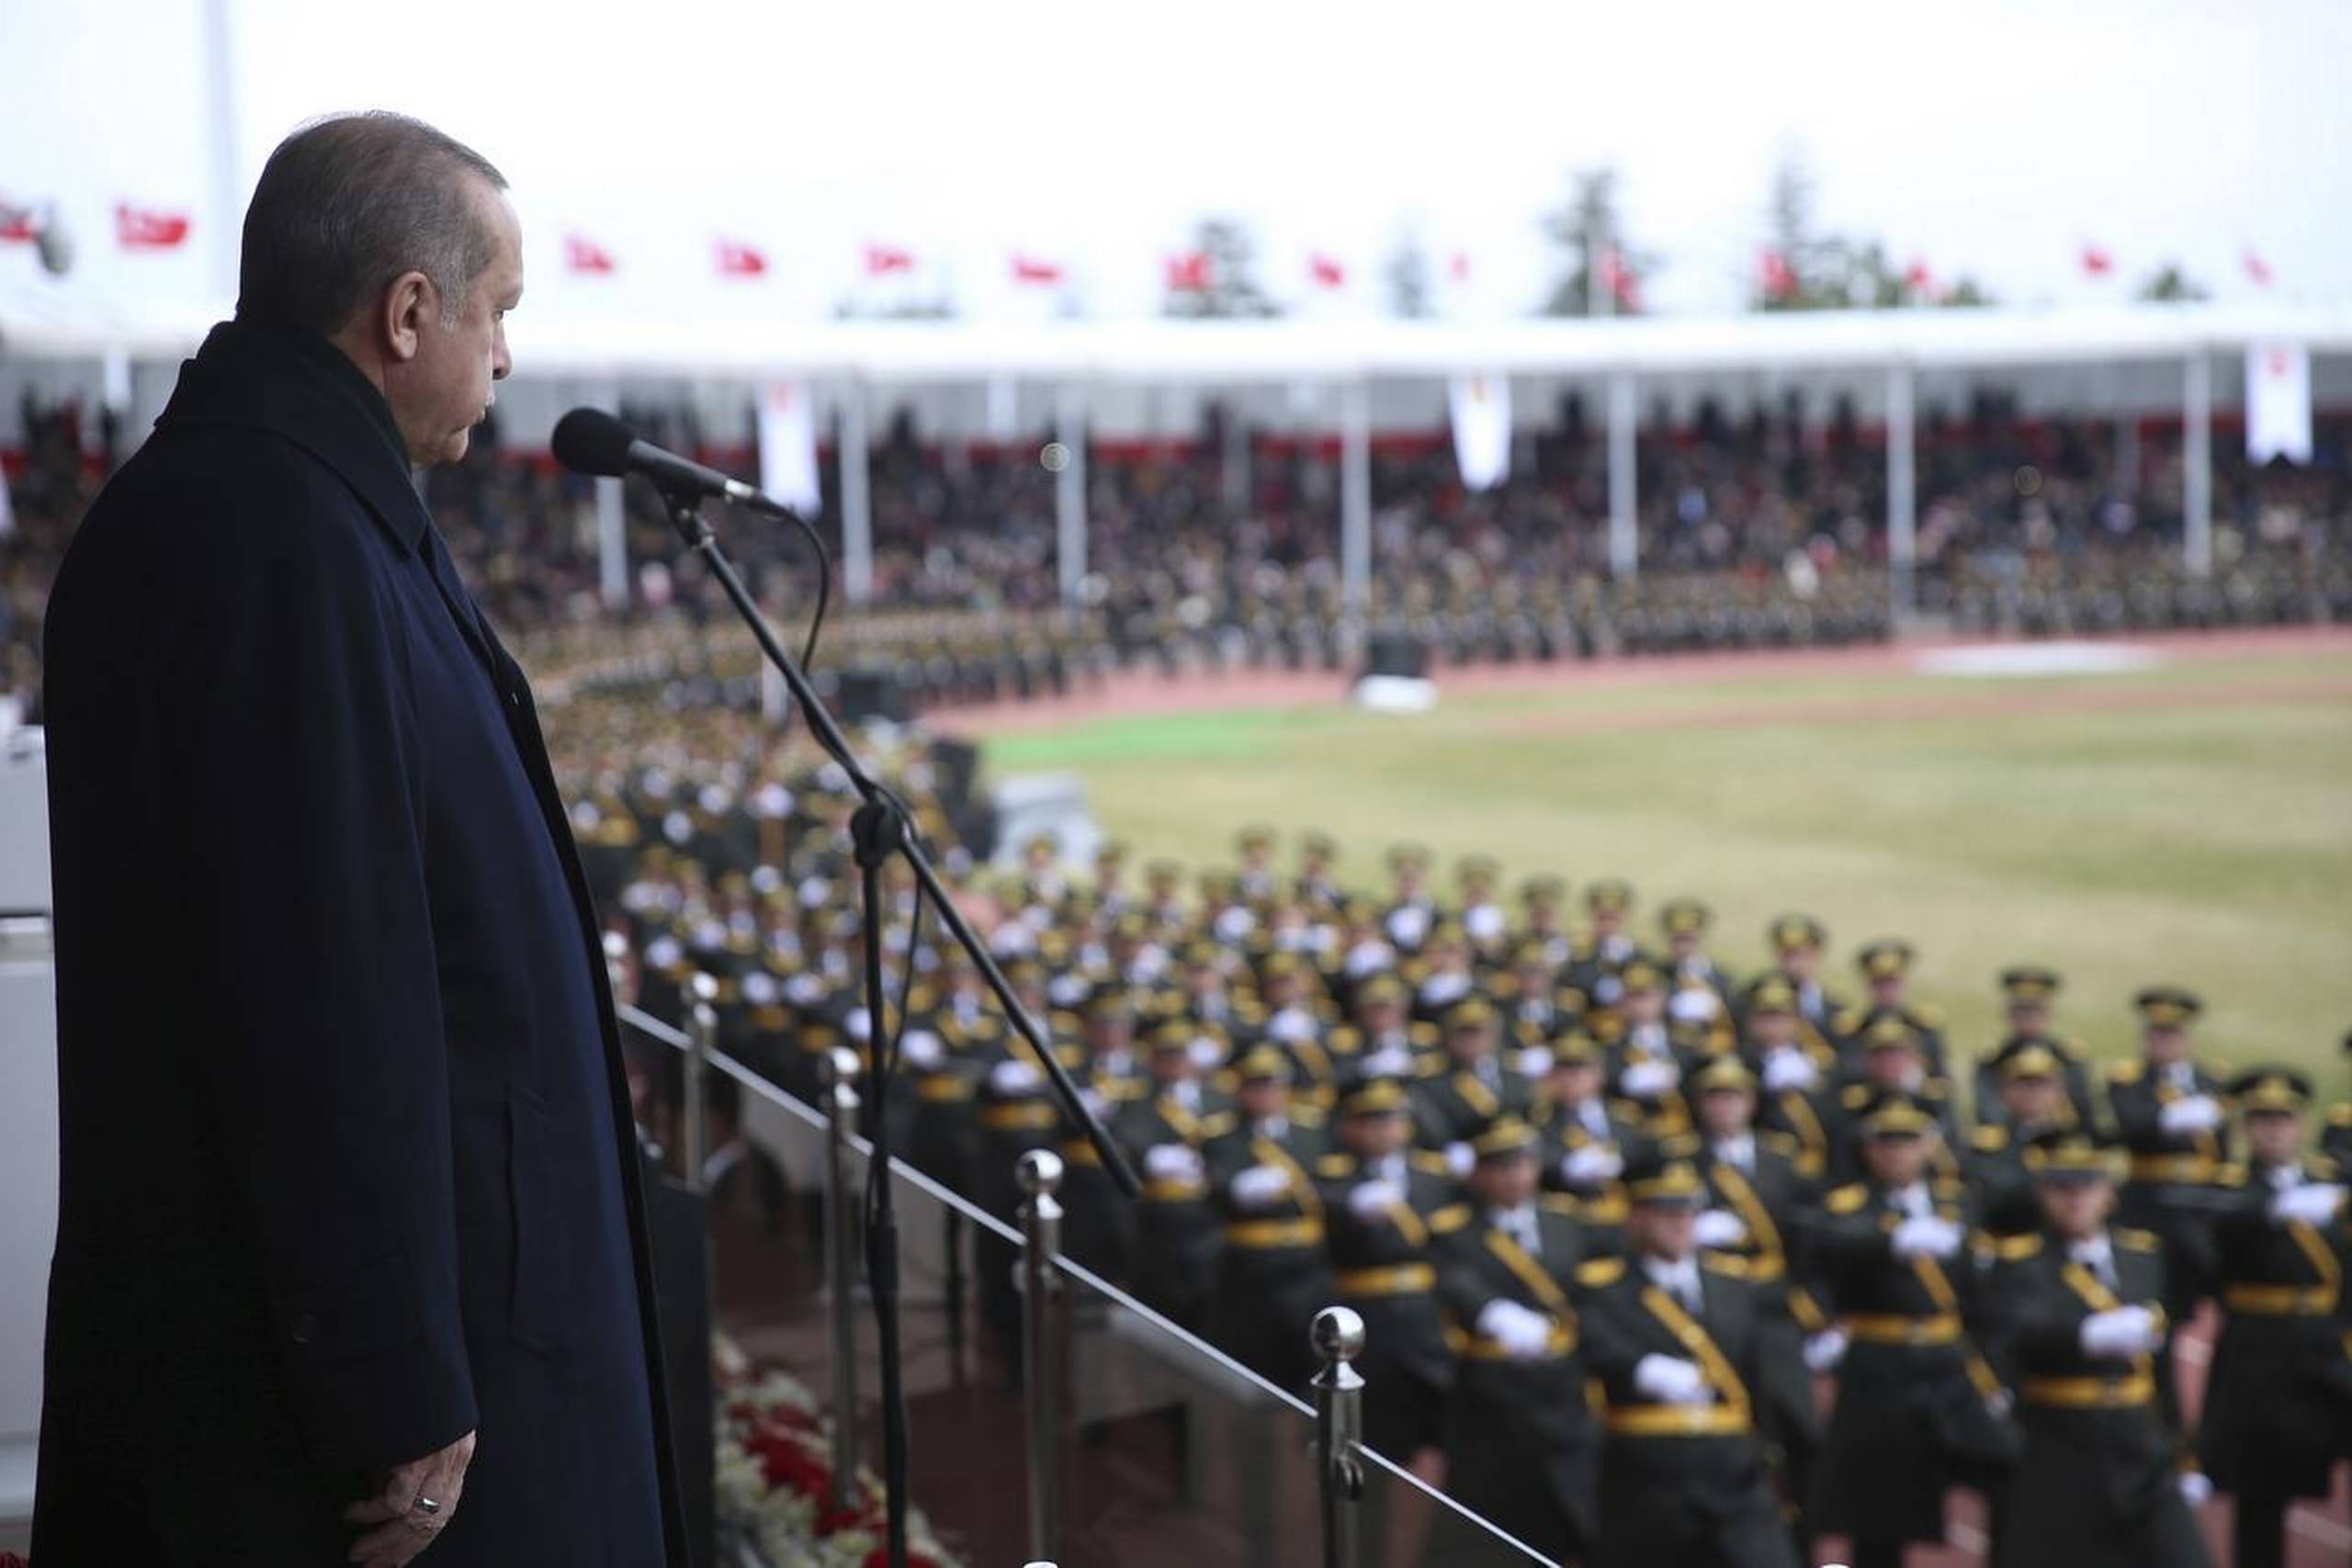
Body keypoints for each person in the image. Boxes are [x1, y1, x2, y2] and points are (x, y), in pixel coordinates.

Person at [34, 113, 684, 1564]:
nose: (507, 358)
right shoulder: (278, 538)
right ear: (407, 311)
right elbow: (311, 979)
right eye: (498, 311)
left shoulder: (300, 508)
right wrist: (388, 1370)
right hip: (354, 1429)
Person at [1982, 1134, 2208, 1568]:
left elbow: (2161, 1369)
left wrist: (2184, 1452)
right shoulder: (2020, 1263)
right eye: (2062, 1187)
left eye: (2086, 1186)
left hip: (2140, 1446)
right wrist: (2084, 1335)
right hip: (2060, 1448)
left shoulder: (2141, 1257)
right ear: (2043, 1193)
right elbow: (2016, 1333)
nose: (2075, 1199)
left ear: (2109, 1193)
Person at [1807, 1097, 2015, 1568]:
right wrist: (1890, 1242)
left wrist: (1997, 1373)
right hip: (1882, 1372)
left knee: (2008, 1471)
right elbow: (1829, 1244)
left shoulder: (1958, 1202)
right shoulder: (1850, 1205)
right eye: (1885, 1141)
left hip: (1949, 1366)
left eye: (1908, 1141)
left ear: (1929, 1145)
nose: (1896, 1152)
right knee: (1879, 1514)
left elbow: (1982, 1296)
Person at [1575, 1157, 1806, 1568]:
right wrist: (1639, 1368)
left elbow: (1756, 1379)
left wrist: (1773, 1455)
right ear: (1636, 1218)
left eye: (1687, 1211)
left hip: (1733, 1467)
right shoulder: (1606, 1288)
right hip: (1649, 1473)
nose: (1679, 1222)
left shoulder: (1731, 1283)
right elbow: (1589, 1344)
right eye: (1665, 1212)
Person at [2199, 1068, 2352, 1568]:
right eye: (2261, 1119)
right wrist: (2276, 1209)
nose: (2273, 1129)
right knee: (2259, 1492)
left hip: (2328, 1348)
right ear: (2245, 1128)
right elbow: (2215, 1229)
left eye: (2283, 1119)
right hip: (2261, 1358)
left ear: (2302, 1127)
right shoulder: (2229, 1188)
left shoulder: (2329, 1186)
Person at [1430, 1116, 1600, 1561]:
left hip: (1560, 1389)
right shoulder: (1455, 1229)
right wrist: (1490, 1311)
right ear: (1480, 1174)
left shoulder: (1566, 1222)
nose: (1514, 1176)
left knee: (1571, 1510)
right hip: (1492, 1392)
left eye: (1522, 1164)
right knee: (1489, 1514)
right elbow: (1451, 1277)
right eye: (1501, 1167)